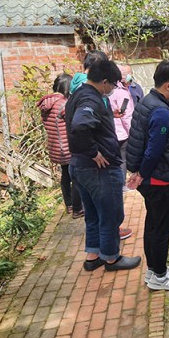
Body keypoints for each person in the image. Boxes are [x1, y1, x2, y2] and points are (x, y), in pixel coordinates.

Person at [64, 60, 141, 273]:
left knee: (93, 213)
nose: (115, 88)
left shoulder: (77, 94)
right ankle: (111, 258)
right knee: (110, 213)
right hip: (97, 169)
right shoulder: (90, 97)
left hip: (79, 166)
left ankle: (93, 256)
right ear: (105, 81)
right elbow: (80, 125)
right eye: (114, 84)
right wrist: (93, 152)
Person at [126, 61, 169, 291]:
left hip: (150, 176)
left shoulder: (147, 101)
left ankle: (155, 269)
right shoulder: (160, 111)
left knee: (153, 224)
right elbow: (153, 149)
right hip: (158, 178)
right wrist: (142, 174)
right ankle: (159, 277)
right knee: (163, 227)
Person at [37, 73, 83, 219]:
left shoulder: (47, 103)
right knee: (75, 176)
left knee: (65, 175)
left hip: (56, 147)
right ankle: (77, 208)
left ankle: (69, 205)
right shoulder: (63, 105)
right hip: (67, 147)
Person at [108, 65, 135, 188]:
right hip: (122, 132)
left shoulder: (110, 90)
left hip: (112, 131)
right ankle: (122, 184)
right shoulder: (122, 93)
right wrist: (132, 132)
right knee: (122, 159)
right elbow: (126, 115)